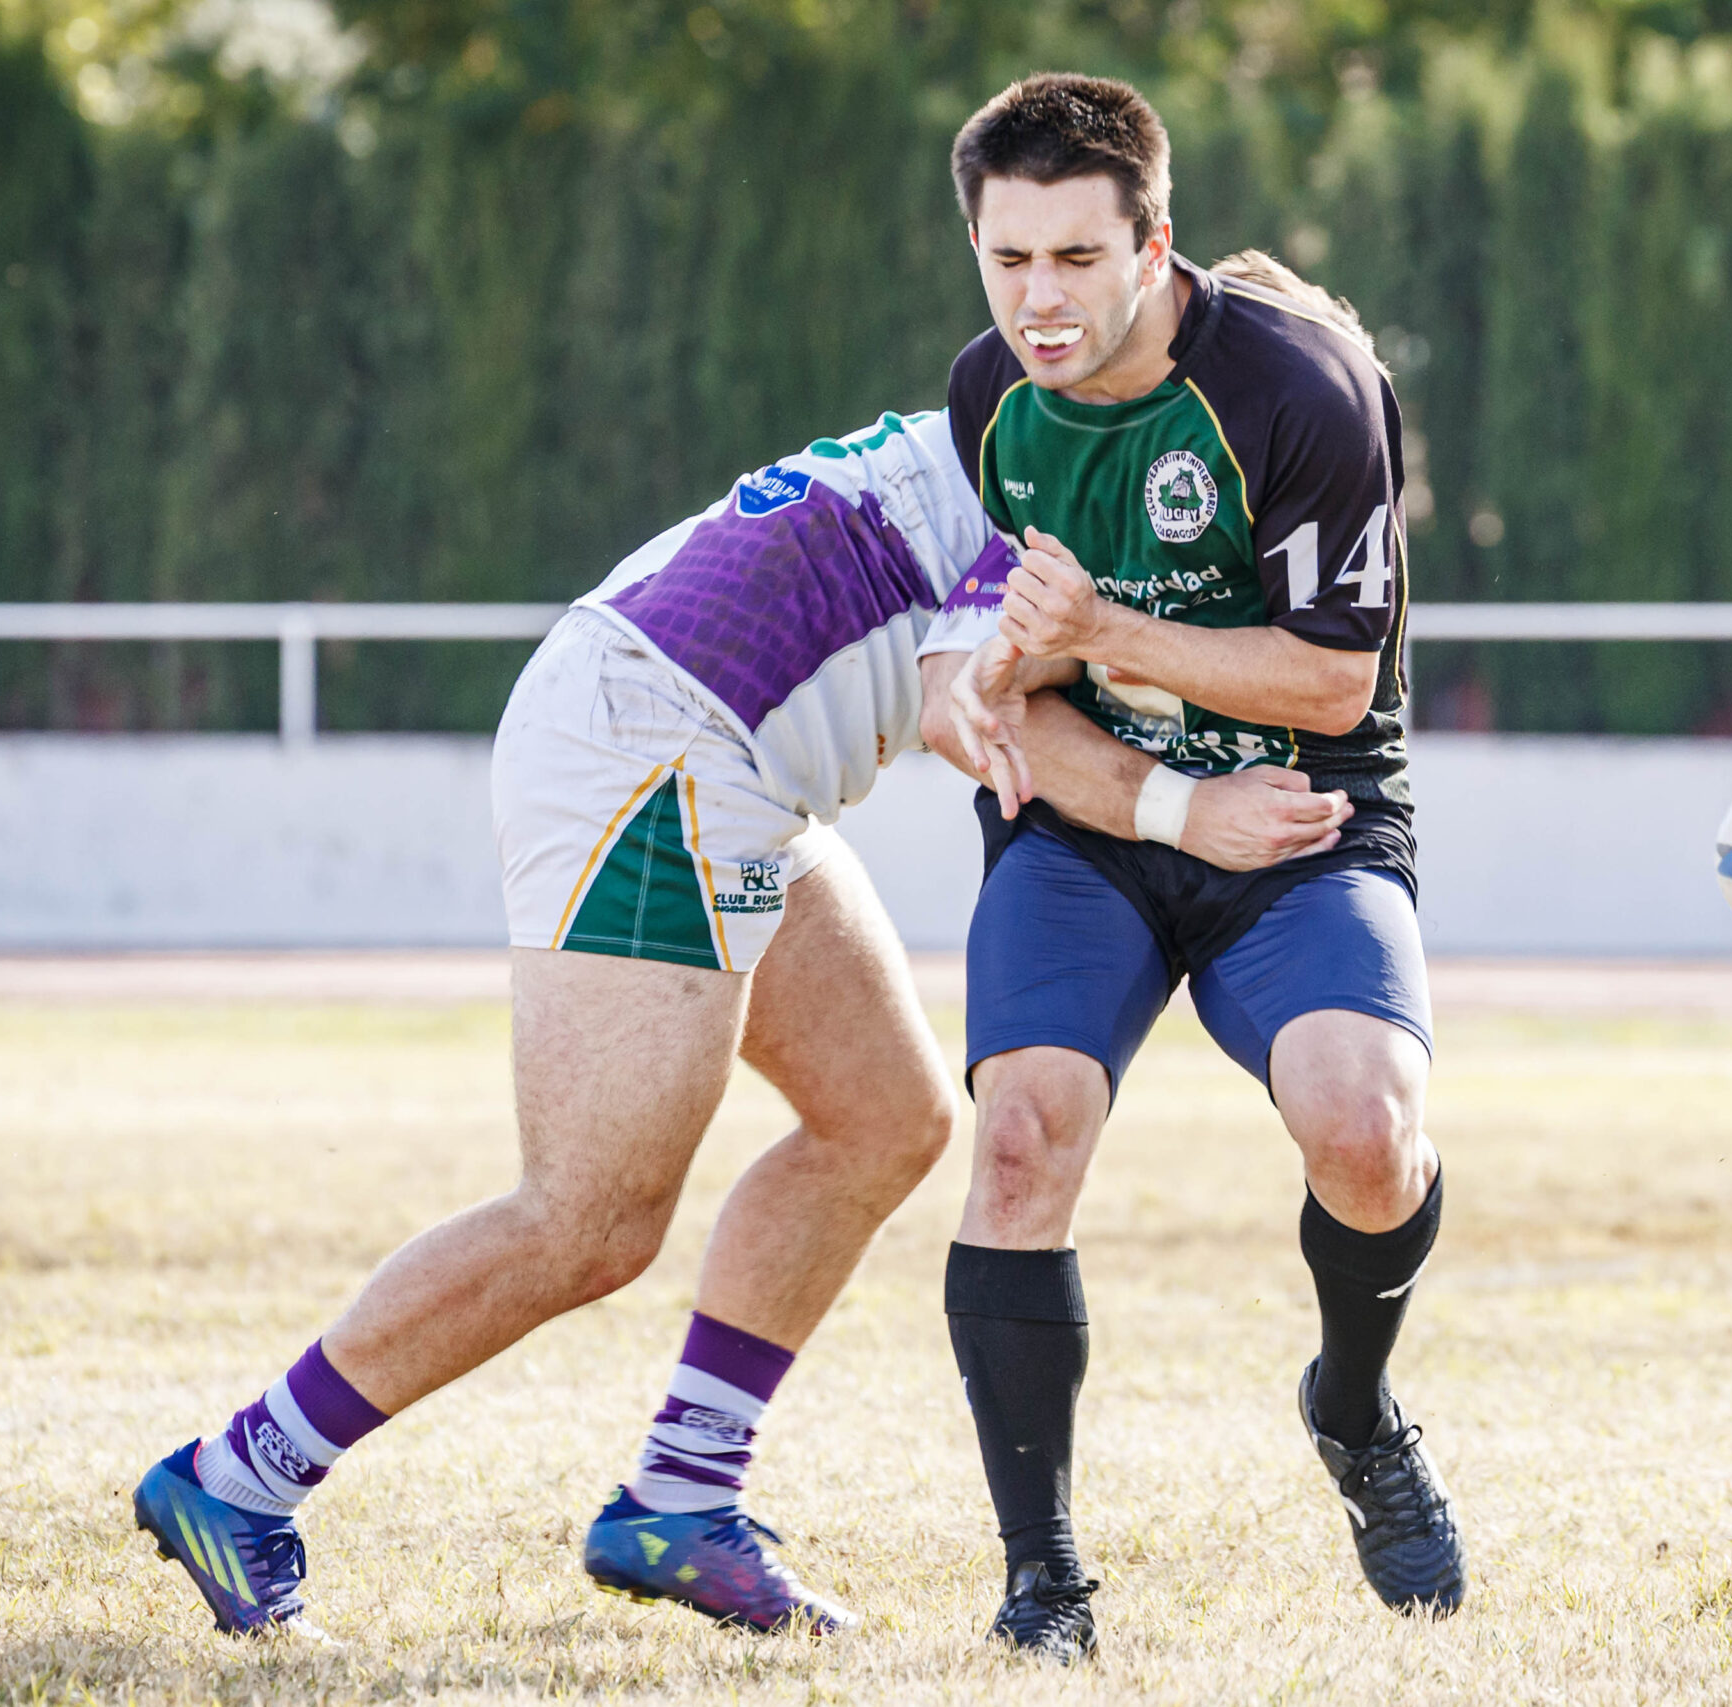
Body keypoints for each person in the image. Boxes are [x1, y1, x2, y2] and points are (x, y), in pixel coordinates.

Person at [125, 406, 1338, 1641]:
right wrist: (1193, 812)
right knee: (590, 1218)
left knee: (884, 1121)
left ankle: (681, 1501)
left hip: (724, 753)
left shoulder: (1063, 425)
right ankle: (237, 1480)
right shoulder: (1067, 457)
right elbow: (975, 713)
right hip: (662, 746)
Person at [916, 74, 1467, 1663]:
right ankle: (1044, 1583)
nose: (1040, 301)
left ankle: (1355, 1412)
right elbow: (981, 705)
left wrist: (1102, 634)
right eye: (1007, 259)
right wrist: (1134, 780)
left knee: (1369, 1133)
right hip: (1095, 832)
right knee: (1020, 1134)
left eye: (1078, 258)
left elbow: (1329, 685)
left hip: (1306, 821)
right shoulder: (982, 404)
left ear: (1156, 244)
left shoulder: (1307, 384)